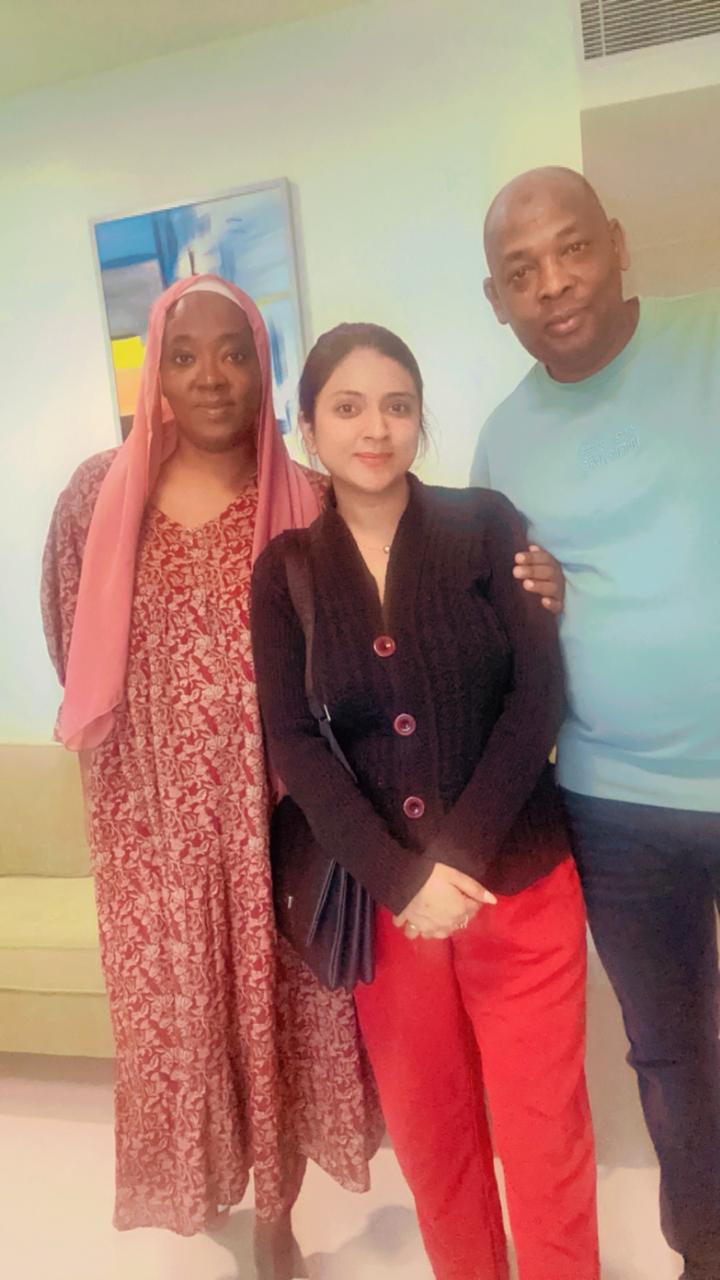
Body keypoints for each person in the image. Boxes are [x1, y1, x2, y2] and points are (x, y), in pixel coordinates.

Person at [41, 276, 383, 1279]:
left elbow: (371, 636)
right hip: (151, 822)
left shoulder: (310, 499)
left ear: (262, 365)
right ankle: (210, 1184)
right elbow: (69, 634)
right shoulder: (97, 496)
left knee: (283, 1017)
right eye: (184, 355)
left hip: (282, 819)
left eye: (233, 352)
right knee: (185, 1020)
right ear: (155, 370)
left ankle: (278, 1214)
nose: (210, 376)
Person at [250, 321, 600, 1280]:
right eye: (349, 408)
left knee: (544, 1138)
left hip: (520, 886)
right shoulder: (287, 571)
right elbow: (294, 743)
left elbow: (538, 698)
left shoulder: (485, 526)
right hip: (390, 911)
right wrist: (403, 881)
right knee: (437, 1146)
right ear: (308, 427)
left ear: (419, 420)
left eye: (397, 406)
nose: (376, 429)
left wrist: (460, 857)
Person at [473, 166, 720, 1280]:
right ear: (496, 300)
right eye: (522, 271)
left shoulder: (707, 338)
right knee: (671, 1054)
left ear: (617, 242)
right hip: (614, 803)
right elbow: (496, 619)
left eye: (572, 249)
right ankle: (704, 1249)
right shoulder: (503, 441)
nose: (555, 284)